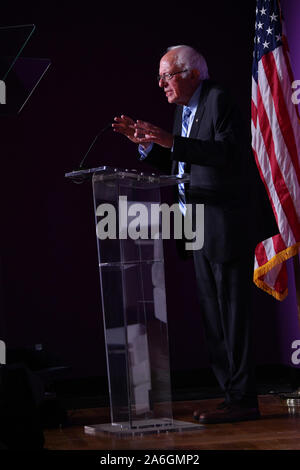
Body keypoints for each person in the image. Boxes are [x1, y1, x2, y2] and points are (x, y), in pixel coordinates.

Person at [112, 45, 276, 424]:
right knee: (213, 318)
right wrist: (149, 144)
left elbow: (227, 154)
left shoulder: (217, 99)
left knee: (233, 316)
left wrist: (171, 141)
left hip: (224, 224)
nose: (161, 84)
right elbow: (182, 159)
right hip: (195, 224)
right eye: (160, 77)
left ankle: (244, 399)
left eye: (166, 75)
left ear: (192, 73)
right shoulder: (183, 108)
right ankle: (229, 395)